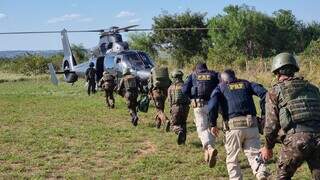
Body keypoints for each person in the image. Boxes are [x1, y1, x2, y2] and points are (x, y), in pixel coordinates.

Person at [260, 52, 320, 179]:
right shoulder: (313, 88)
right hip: (318, 139)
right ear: (294, 70)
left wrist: (267, 147)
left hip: (297, 142)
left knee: (281, 176)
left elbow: (271, 126)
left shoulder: (274, 92)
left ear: (277, 73)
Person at [209, 69, 269, 180]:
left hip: (233, 127)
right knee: (254, 154)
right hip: (252, 125)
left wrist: (212, 124)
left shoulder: (220, 88)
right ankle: (261, 173)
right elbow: (265, 94)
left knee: (232, 158)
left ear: (222, 79)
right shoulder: (247, 83)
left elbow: (212, 105)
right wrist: (264, 114)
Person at [182, 62, 219, 168]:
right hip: (213, 105)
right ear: (206, 68)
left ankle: (209, 148)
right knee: (212, 127)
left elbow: (184, 90)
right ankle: (209, 152)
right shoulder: (213, 74)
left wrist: (191, 97)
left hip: (199, 105)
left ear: (196, 68)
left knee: (202, 129)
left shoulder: (193, 75)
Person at [167, 70, 190, 145]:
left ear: (174, 77)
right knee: (183, 123)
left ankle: (179, 131)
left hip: (175, 107)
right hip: (186, 108)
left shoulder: (171, 87)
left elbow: (170, 101)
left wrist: (171, 109)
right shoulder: (185, 85)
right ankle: (183, 141)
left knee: (173, 125)